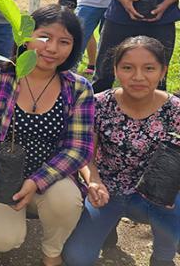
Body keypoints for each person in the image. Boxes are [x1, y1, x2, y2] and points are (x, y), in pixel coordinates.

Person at [0, 5, 94, 266]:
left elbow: (78, 149)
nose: (52, 48)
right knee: (2, 240)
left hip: (51, 176)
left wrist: (36, 181)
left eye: (64, 41)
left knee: (66, 201)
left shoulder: (78, 88)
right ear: (25, 37)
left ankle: (52, 250)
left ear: (73, 47)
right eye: (44, 37)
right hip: (1, 178)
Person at [62, 36, 180, 266]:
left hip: (157, 196)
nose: (138, 77)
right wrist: (93, 182)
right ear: (116, 70)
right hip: (107, 191)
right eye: (127, 68)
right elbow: (86, 155)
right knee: (77, 258)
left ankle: (163, 256)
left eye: (149, 68)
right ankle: (107, 227)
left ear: (163, 71)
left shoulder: (174, 111)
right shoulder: (99, 104)